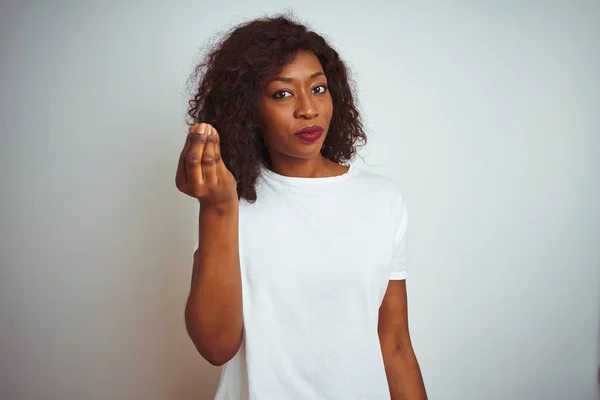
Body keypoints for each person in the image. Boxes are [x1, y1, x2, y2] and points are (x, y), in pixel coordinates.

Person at [175, 14, 427, 400]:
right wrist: (216, 209)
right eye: (282, 93)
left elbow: (394, 345)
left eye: (319, 88)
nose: (308, 109)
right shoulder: (232, 202)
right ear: (247, 109)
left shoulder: (382, 200)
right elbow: (215, 346)